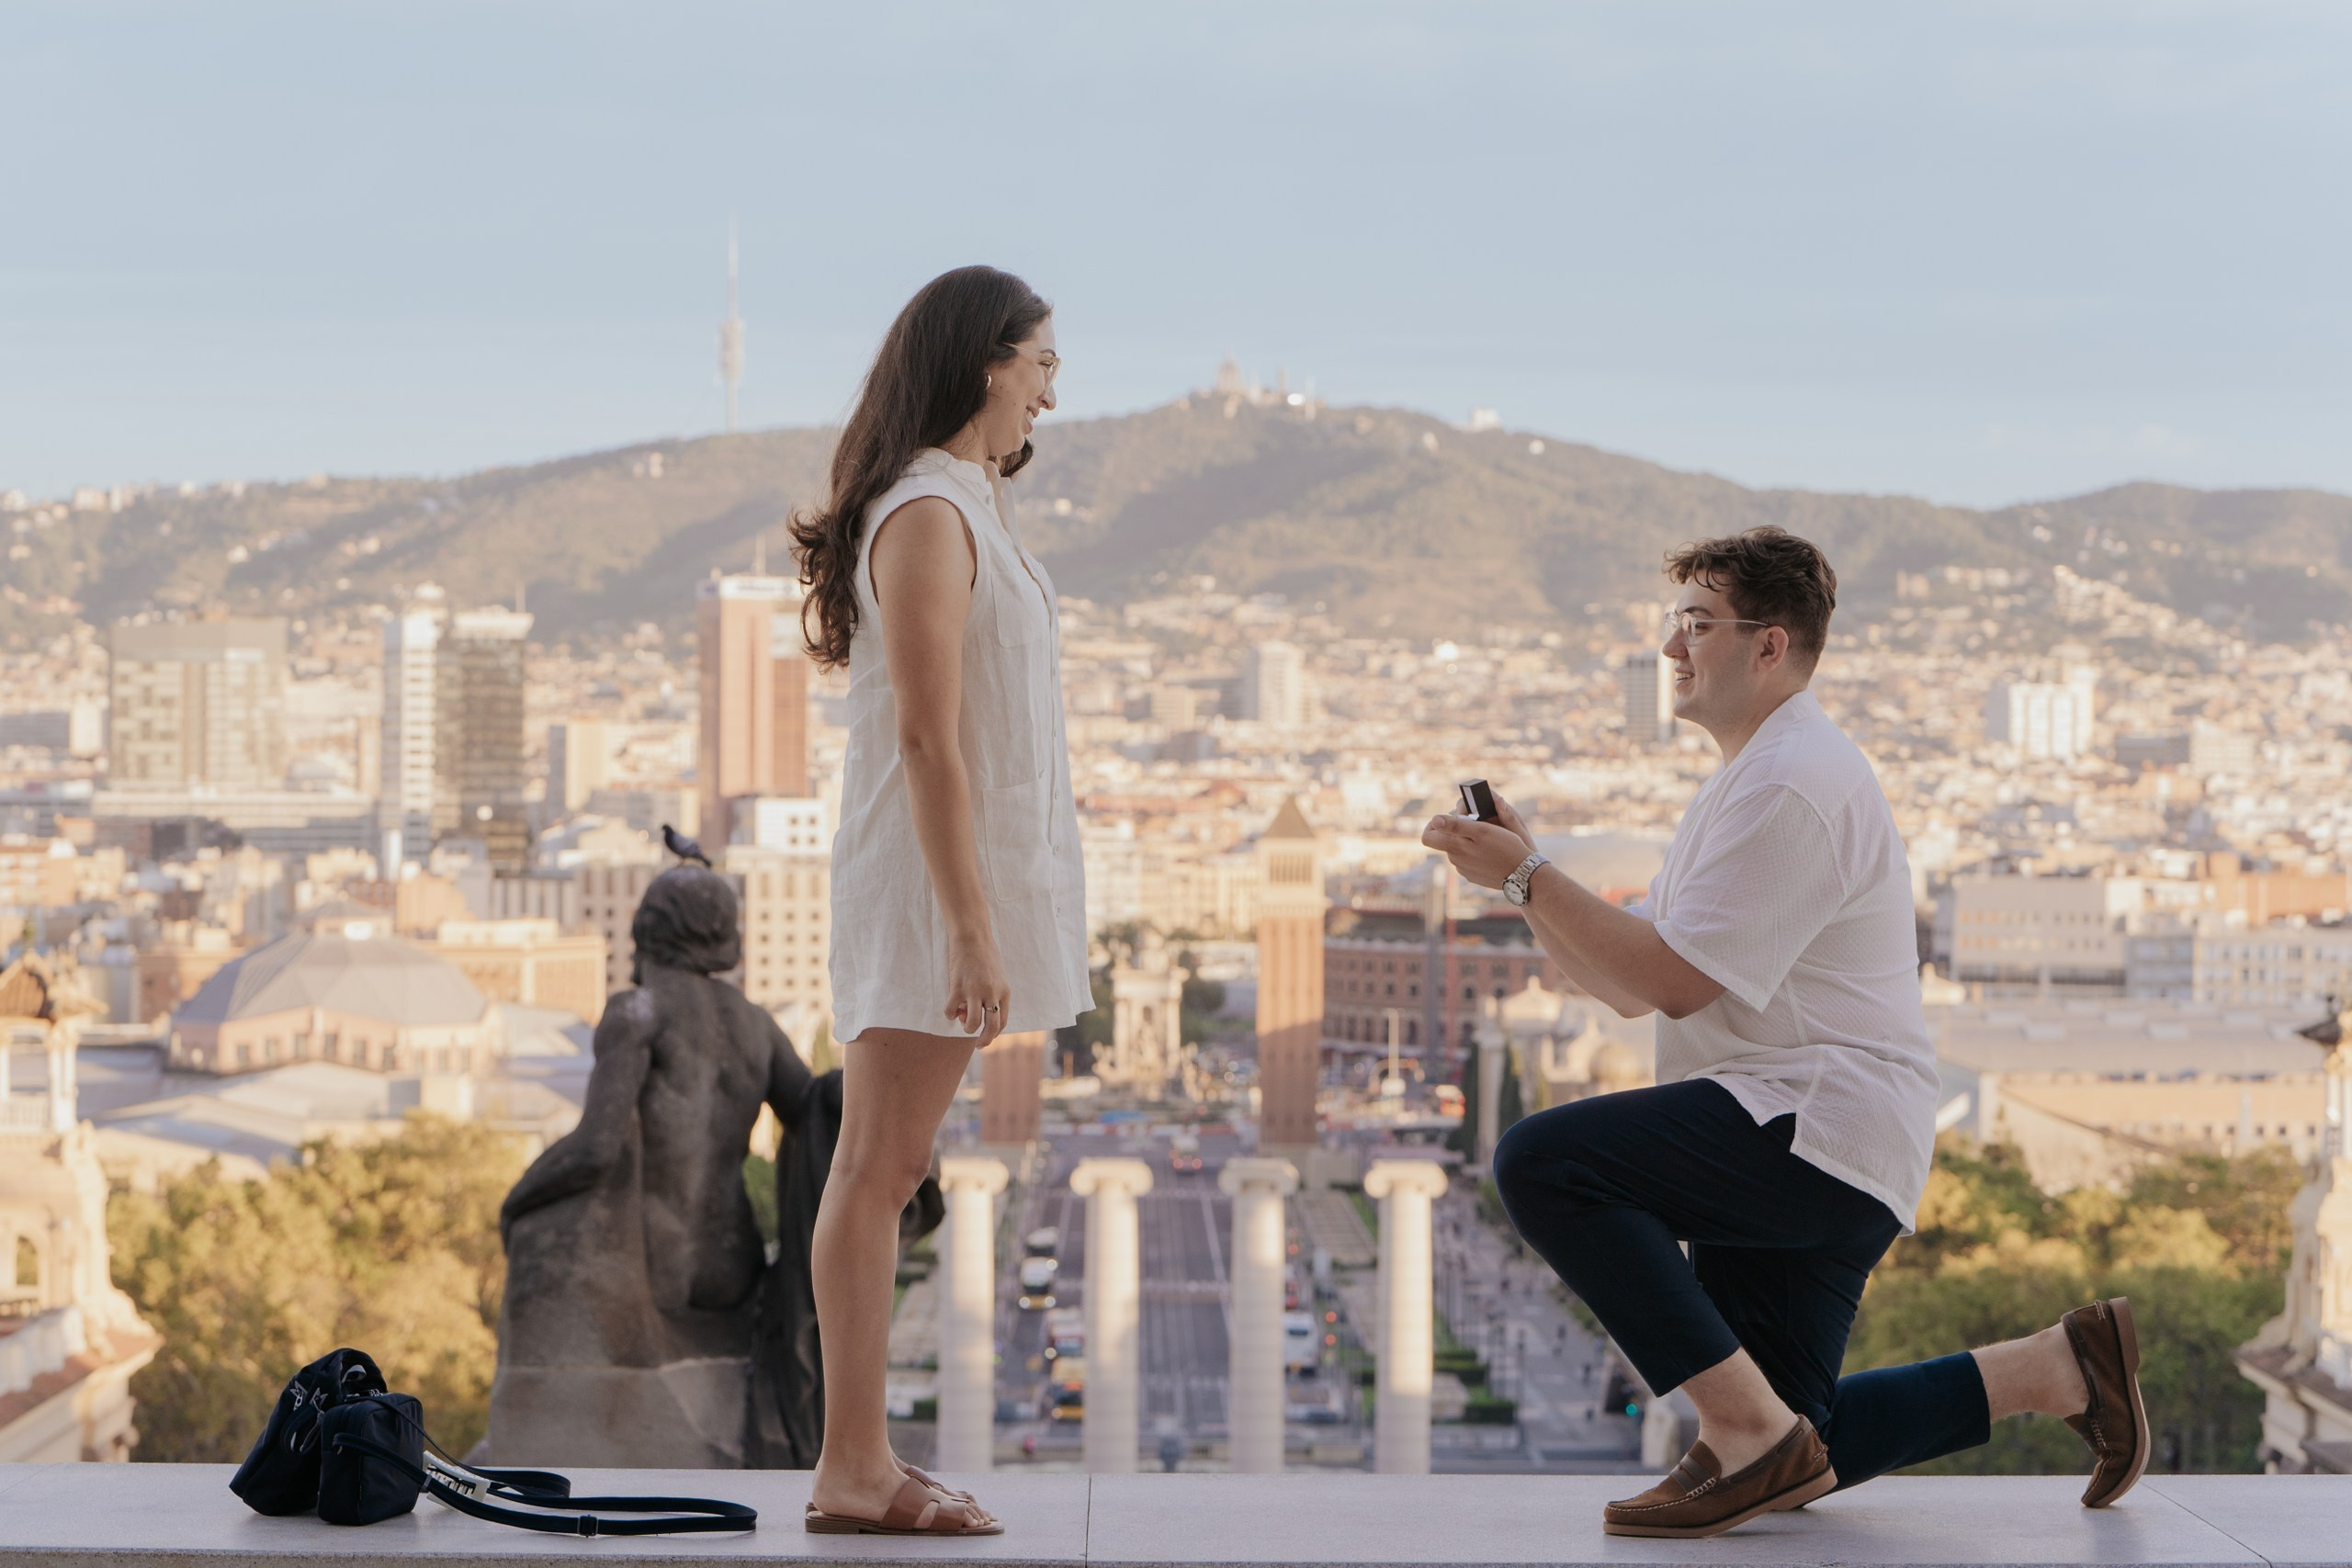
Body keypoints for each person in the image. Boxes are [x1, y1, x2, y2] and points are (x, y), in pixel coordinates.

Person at [1422, 527, 2147, 1539]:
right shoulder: (1756, 776)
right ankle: (2054, 1367)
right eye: (1675, 624)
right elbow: (1624, 989)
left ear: (1769, 645)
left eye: (1697, 625)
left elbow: (1666, 985)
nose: (1672, 648)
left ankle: (1746, 1436)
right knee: (1799, 1444)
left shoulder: (1790, 784)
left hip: (1809, 1126)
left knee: (1546, 1162)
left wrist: (1526, 878)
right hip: (1810, 1133)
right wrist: (1523, 876)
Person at [788, 265, 1088, 1537]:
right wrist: (969, 922)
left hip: (954, 871)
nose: (1051, 392)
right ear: (984, 361)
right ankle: (852, 1464)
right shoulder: (925, 510)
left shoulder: (965, 504)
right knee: (878, 1164)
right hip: (924, 880)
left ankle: (860, 1457)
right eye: (1041, 364)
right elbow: (926, 736)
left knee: (888, 1160)